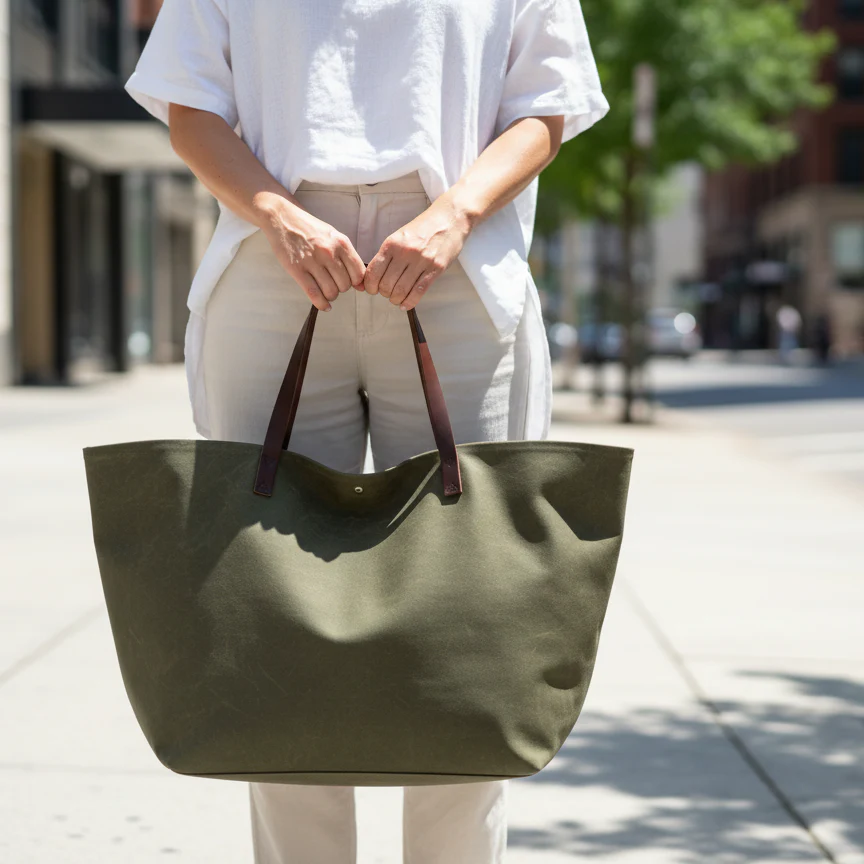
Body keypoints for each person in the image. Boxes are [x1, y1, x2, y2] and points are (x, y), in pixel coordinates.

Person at [124, 1, 608, 861]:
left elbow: (547, 103)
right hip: (274, 260)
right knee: (267, 613)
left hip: (457, 259)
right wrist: (277, 213)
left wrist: (456, 212)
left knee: (474, 619)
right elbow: (189, 104)